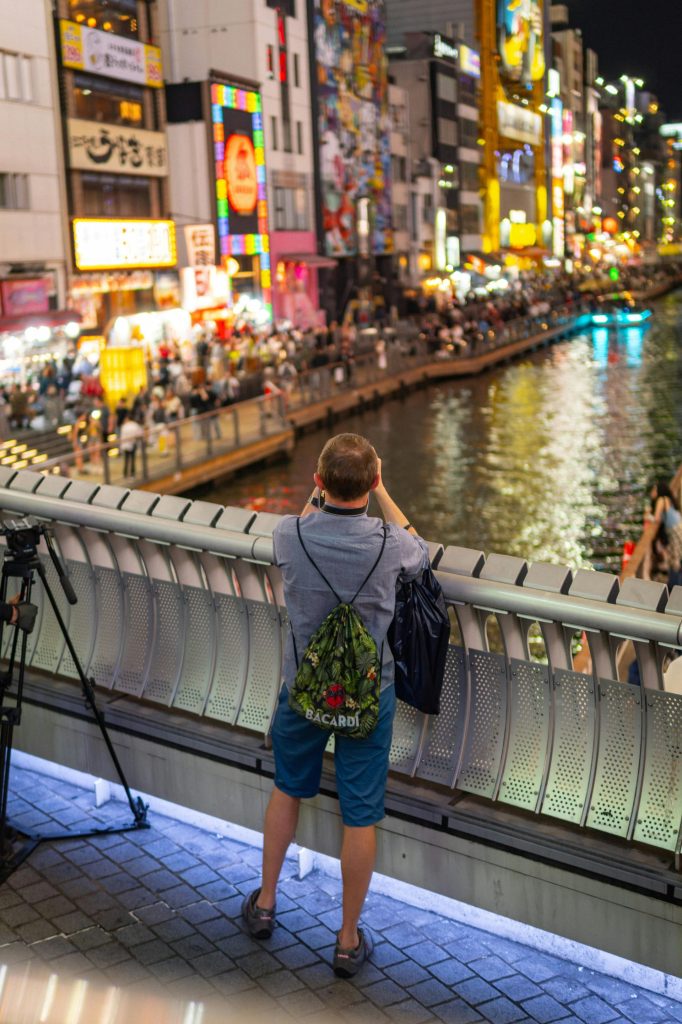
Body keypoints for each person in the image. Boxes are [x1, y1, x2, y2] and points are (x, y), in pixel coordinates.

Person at [242, 433, 429, 977]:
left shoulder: (290, 533)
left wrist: (318, 492)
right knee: (361, 813)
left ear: (319, 483)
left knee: (287, 788)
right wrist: (382, 489)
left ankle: (267, 904)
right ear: (372, 483)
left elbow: (298, 525)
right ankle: (347, 940)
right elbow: (422, 548)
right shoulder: (390, 544)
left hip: (302, 690)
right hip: (370, 696)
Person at [119, 412, 143, 477]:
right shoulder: (135, 425)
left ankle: (125, 474)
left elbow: (122, 437)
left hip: (126, 445)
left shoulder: (124, 426)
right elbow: (140, 434)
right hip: (133, 443)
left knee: (126, 460)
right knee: (132, 459)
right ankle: (132, 473)